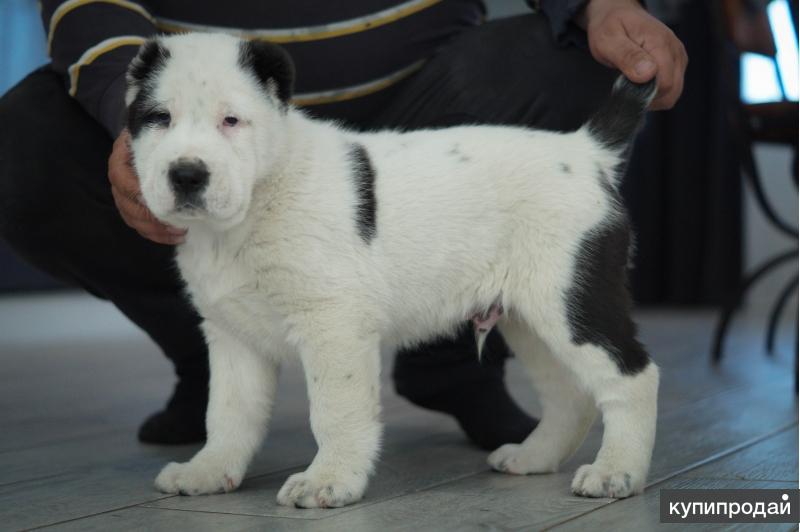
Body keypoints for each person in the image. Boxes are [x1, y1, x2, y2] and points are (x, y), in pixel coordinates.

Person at [0, 0, 686, 449]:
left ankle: (454, 362)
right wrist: (130, 102)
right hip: (190, 85)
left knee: (561, 57)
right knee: (21, 143)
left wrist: (598, 2)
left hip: (432, 94)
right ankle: (205, 362)